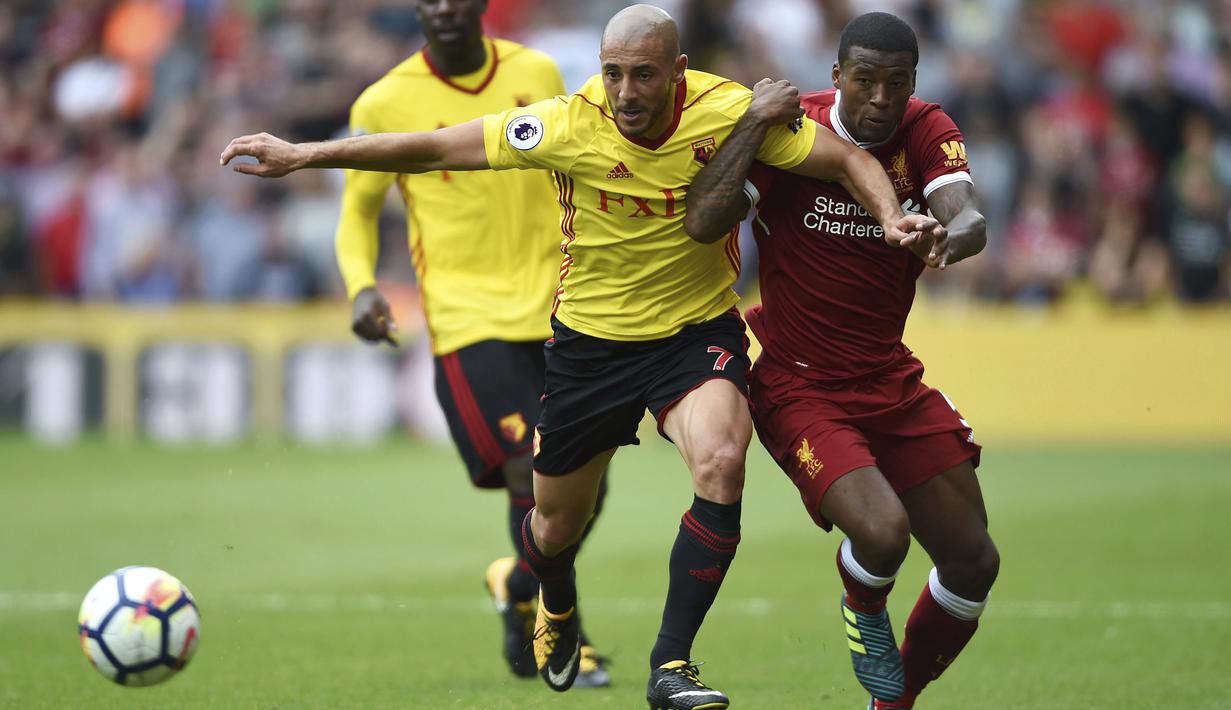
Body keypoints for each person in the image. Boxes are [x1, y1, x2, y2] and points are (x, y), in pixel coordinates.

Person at [221, 5, 939, 708]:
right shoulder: (566, 122)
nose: (625, 93)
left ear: (678, 71)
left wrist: (890, 216)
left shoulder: (726, 111)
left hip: (694, 334)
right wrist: (303, 154)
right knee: (553, 522)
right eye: (613, 74)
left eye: (644, 76)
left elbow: (843, 156)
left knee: (721, 460)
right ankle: (553, 601)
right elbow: (436, 148)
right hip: (590, 347)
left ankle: (670, 665)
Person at [685, 12, 999, 710]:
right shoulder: (791, 131)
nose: (881, 99)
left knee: (974, 560)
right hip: (798, 385)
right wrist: (746, 133)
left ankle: (892, 702)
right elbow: (705, 220)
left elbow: (964, 208)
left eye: (896, 83)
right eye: (865, 82)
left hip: (888, 378)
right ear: (836, 79)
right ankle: (863, 606)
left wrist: (953, 235)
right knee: (883, 535)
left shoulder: (927, 129)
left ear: (913, 82)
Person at [332, 0, 613, 686]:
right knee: (531, 468)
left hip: (561, 308)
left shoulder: (537, 69)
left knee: (584, 490)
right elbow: (357, 210)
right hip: (468, 318)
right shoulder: (385, 100)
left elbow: (573, 162)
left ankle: (517, 585)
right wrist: (361, 286)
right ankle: (560, 626)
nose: (443, 9)